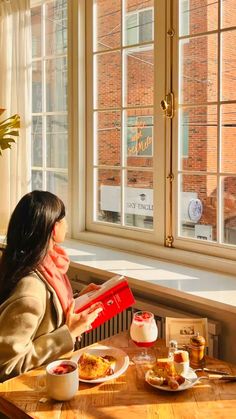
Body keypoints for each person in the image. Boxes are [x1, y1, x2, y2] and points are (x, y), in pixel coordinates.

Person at [0, 190, 102, 382]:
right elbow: (7, 365)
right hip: (30, 390)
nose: (67, 224)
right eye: (64, 218)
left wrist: (78, 300)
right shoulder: (30, 293)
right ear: (54, 229)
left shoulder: (39, 263)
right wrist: (69, 333)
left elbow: (42, 323)